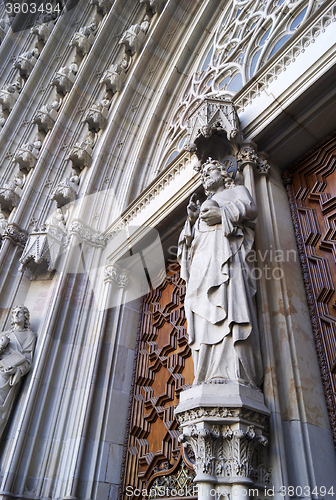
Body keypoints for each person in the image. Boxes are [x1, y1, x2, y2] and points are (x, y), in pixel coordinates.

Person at [178, 158, 263, 386]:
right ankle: (206, 373)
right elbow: (190, 242)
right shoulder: (207, 201)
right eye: (203, 173)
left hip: (226, 257)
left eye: (210, 170)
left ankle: (233, 373)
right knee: (201, 309)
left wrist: (222, 214)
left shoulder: (237, 190)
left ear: (224, 173)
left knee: (227, 303)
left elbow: (251, 210)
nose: (205, 175)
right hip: (202, 261)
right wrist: (192, 221)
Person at [0, 306, 36, 438]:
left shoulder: (29, 336)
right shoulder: (4, 335)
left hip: (7, 376)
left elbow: (27, 361)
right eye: (14, 312)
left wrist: (17, 370)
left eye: (19, 313)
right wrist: (1, 346)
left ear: (25, 316)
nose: (16, 315)